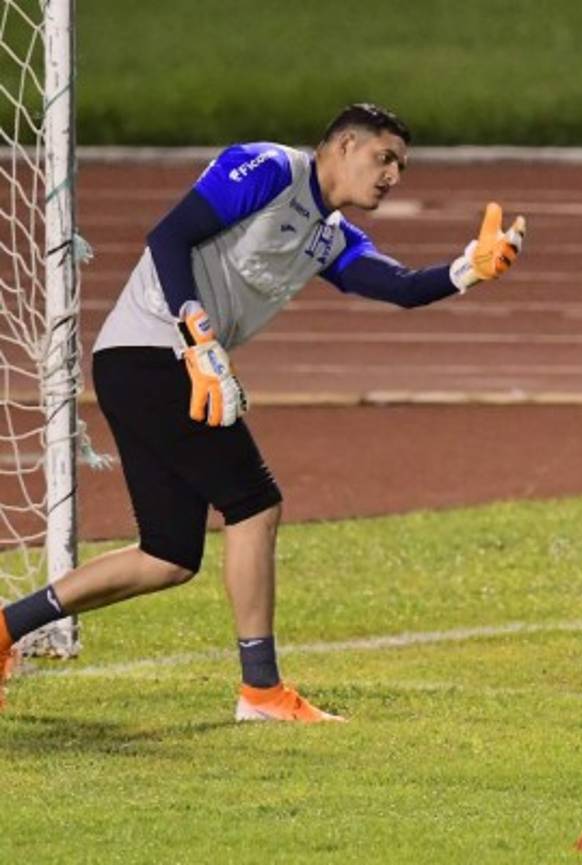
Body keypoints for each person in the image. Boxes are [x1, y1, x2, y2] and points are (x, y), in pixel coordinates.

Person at [0, 103, 526, 722]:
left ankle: (6, 629)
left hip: (150, 364)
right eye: (385, 159)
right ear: (344, 144)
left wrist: (468, 271)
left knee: (168, 556)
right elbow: (169, 236)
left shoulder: (329, 235)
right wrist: (198, 336)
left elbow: (401, 287)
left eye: (401, 167)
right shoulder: (271, 169)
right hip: (154, 355)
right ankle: (261, 690)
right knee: (254, 503)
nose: (392, 177)